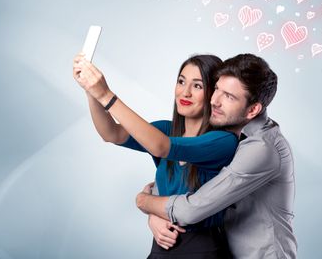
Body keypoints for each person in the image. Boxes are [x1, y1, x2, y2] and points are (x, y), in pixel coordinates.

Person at [72, 53, 241, 258]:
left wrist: (106, 95)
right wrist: (91, 91)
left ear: (213, 94)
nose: (185, 92)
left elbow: (161, 147)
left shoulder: (222, 141)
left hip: (202, 249)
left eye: (197, 86)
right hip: (161, 248)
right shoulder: (165, 130)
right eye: (181, 81)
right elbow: (112, 133)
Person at [136, 54, 298, 259]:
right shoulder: (224, 131)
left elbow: (191, 210)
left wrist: (144, 202)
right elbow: (182, 184)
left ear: (253, 109)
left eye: (229, 96)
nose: (215, 101)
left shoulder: (261, 148)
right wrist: (154, 214)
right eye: (216, 89)